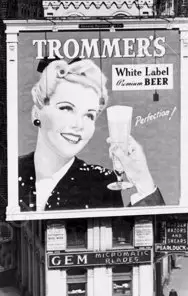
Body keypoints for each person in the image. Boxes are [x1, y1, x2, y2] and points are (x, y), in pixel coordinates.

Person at [18, 58, 165, 211]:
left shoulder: (100, 181)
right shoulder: (11, 172)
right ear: (37, 114)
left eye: (89, 115)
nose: (79, 125)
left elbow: (125, 232)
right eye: (66, 108)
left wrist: (143, 182)